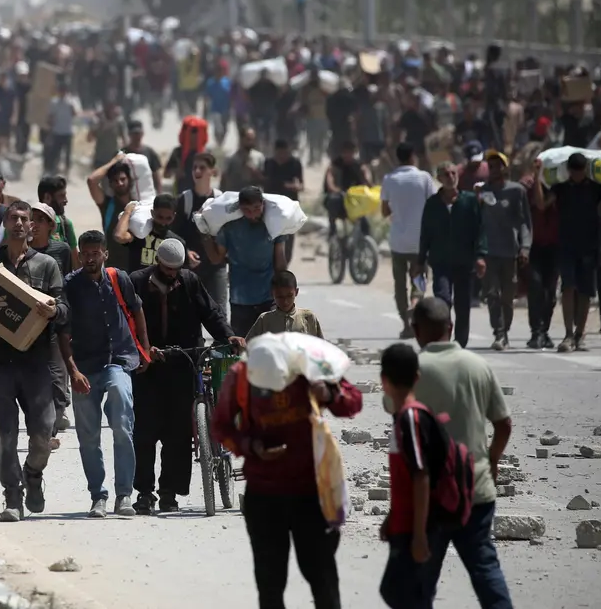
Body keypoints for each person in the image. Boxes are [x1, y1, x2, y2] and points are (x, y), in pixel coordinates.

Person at [221, 297, 362, 609]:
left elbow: (353, 402)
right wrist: (250, 447)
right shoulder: (241, 376)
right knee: (270, 586)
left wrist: (330, 392)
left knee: (323, 580)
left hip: (311, 495)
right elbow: (222, 426)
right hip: (264, 497)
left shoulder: (311, 367)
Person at [408, 298, 514, 608]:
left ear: (416, 330)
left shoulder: (413, 369)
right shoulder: (477, 365)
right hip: (476, 489)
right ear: (451, 328)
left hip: (431, 495)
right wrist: (491, 461)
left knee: (420, 583)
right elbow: (504, 424)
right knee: (486, 571)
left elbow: (400, 422)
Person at [0, 202, 67, 521]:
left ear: (32, 228)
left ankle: (33, 474)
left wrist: (54, 310)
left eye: (24, 219)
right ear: (5, 224)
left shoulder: (47, 265)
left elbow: (64, 309)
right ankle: (12, 495)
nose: (19, 224)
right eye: (13, 218)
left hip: (37, 363)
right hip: (0, 364)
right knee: (6, 435)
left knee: (43, 434)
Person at [130, 239, 239, 514]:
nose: (172, 274)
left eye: (176, 269)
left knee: (178, 433)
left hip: (183, 364)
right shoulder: (137, 282)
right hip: (148, 366)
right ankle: (144, 492)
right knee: (144, 431)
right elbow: (126, 322)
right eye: (167, 269)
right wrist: (142, 350)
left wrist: (228, 335)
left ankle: (169, 492)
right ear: (158, 263)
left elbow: (211, 312)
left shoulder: (190, 281)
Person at [60, 230, 150, 518]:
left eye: (95, 253)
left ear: (104, 254)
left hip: (119, 360)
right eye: (85, 253)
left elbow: (136, 311)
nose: (89, 258)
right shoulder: (70, 285)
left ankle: (124, 495)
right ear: (79, 254)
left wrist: (144, 350)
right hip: (84, 367)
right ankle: (97, 496)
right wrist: (72, 370)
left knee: (123, 424)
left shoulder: (118, 278)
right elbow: (62, 331)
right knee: (88, 436)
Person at [377, 343, 442, 608]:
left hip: (414, 527)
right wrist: (391, 517)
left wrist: (418, 535)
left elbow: (420, 475)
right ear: (417, 377)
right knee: (399, 592)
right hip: (403, 522)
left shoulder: (410, 419)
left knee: (405, 594)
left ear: (383, 381)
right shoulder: (402, 417)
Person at [531, 153, 601, 352]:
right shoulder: (561, 188)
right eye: (573, 171)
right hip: (566, 245)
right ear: (569, 170)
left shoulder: (597, 189)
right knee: (568, 288)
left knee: (585, 291)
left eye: (579, 171)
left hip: (590, 246)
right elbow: (541, 205)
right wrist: (536, 176)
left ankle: (579, 334)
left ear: (585, 170)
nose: (576, 174)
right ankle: (568, 334)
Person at [414, 163, 487, 349]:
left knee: (463, 304)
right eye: (445, 174)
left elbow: (480, 230)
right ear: (439, 178)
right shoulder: (432, 204)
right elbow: (425, 234)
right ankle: (443, 337)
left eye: (453, 173)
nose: (450, 177)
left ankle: (461, 342)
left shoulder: (469, 201)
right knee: (443, 300)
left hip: (464, 262)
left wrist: (480, 256)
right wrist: (420, 261)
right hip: (440, 262)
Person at [204, 186, 289, 337]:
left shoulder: (274, 224)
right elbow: (216, 258)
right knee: (242, 350)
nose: (252, 214)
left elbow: (280, 261)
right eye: (247, 210)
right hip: (240, 300)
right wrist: (205, 235)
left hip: (269, 297)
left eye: (256, 208)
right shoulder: (230, 226)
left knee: (272, 346)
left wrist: (285, 290)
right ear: (240, 208)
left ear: (263, 204)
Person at [478, 151, 531, 351]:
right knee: (492, 294)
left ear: (505, 168)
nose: (493, 169)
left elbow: (525, 221)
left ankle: (505, 331)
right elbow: (477, 221)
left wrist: (525, 247)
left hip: (510, 252)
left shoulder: (516, 191)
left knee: (507, 296)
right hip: (489, 252)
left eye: (497, 165)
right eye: (490, 166)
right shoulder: (482, 192)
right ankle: (499, 333)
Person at [30, 203, 75, 442]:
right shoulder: (20, 251)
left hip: (57, 323)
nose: (34, 224)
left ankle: (55, 418)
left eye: (40, 219)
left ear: (50, 225)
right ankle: (44, 433)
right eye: (31, 218)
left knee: (58, 378)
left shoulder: (62, 250)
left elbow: (68, 285)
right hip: (29, 325)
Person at [382, 142, 436, 338]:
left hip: (398, 241)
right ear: (413, 156)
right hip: (419, 240)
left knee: (399, 284)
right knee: (419, 278)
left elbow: (384, 210)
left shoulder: (389, 179)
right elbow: (433, 205)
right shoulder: (424, 178)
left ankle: (405, 324)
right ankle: (415, 302)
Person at [172, 151, 224, 310]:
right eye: (195, 168)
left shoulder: (221, 199)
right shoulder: (185, 200)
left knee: (220, 313)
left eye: (202, 167)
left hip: (216, 266)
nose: (197, 171)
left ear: (212, 171)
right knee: (188, 315)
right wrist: (185, 251)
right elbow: (173, 232)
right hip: (190, 268)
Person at [519, 164, 560, 349]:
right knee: (535, 287)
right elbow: (539, 204)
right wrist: (537, 178)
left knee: (550, 292)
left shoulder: (560, 187)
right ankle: (536, 331)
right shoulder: (528, 186)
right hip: (533, 246)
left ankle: (545, 331)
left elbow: (546, 204)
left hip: (554, 246)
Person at [114, 193, 185, 273]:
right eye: (160, 217)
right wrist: (128, 211)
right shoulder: (139, 233)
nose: (163, 222)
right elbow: (119, 236)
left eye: (168, 218)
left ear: (174, 216)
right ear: (152, 213)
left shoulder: (176, 242)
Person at [88, 152, 136, 268]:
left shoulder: (140, 205)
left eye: (123, 179)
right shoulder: (108, 205)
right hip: (114, 269)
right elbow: (91, 181)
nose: (120, 183)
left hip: (136, 269)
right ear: (110, 184)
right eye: (115, 180)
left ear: (130, 180)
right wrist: (114, 161)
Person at [247, 270, 324, 338]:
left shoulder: (308, 317)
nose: (285, 301)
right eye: (280, 297)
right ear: (272, 294)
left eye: (289, 296)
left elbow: (321, 346)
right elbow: (248, 346)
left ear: (296, 292)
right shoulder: (264, 320)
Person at [323, 140, 372, 238]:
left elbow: (367, 177)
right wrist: (335, 189)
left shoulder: (359, 165)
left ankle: (365, 240)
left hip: (355, 200)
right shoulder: (335, 165)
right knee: (333, 201)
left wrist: (368, 182)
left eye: (351, 152)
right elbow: (330, 181)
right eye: (346, 152)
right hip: (340, 198)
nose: (348, 155)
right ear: (342, 152)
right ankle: (332, 230)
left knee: (365, 224)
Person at [263, 139, 305, 257]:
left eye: (285, 153)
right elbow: (263, 181)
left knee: (289, 240)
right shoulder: (269, 163)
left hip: (289, 207)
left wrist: (294, 186)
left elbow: (301, 185)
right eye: (280, 153)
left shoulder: (295, 163)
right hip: (271, 207)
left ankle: (284, 266)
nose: (283, 156)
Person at [37, 175, 79, 268]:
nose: (66, 200)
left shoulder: (65, 224)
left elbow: (76, 265)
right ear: (47, 197)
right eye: (61, 196)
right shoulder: (27, 224)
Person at [45, 81, 78, 176]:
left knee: (68, 154)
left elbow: (75, 114)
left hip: (67, 131)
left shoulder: (71, 101)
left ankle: (67, 171)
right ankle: (55, 169)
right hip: (57, 131)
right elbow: (50, 117)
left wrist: (72, 107)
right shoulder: (54, 102)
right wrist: (50, 128)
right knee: (56, 152)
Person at [121, 119, 163, 193]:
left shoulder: (150, 152)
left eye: (138, 133)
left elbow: (156, 176)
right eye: (134, 134)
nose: (137, 136)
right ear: (129, 134)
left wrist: (159, 193)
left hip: (147, 194)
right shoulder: (122, 154)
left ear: (142, 133)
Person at [219, 127, 265, 193]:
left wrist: (254, 172)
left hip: (253, 197)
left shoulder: (259, 157)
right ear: (241, 139)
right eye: (248, 139)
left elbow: (263, 180)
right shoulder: (231, 158)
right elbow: (224, 178)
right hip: (234, 195)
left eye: (253, 139)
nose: (251, 142)